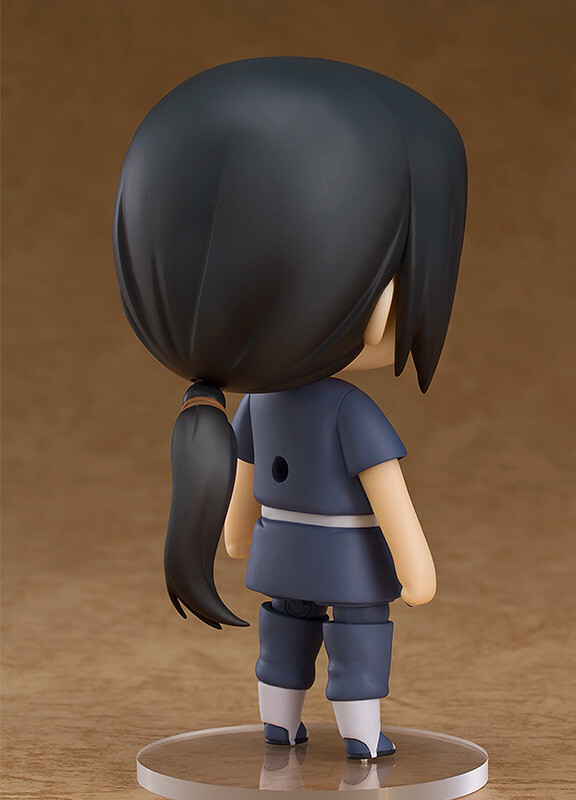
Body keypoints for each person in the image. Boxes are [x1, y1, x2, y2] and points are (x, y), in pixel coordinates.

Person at [113, 56, 467, 759]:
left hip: (280, 555)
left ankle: (279, 723)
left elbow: (240, 496)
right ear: (383, 305)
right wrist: (416, 570)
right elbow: (389, 499)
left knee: (284, 632)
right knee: (358, 641)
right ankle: (361, 737)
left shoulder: (255, 404)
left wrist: (237, 533)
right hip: (346, 562)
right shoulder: (349, 412)